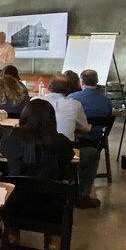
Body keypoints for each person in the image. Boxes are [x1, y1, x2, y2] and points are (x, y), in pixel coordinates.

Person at [34, 74, 101, 208]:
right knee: (93, 153)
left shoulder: (36, 100)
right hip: (63, 154)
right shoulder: (75, 105)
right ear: (68, 89)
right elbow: (86, 128)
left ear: (48, 87)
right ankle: (83, 196)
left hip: (36, 151)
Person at [0, 99, 74, 180]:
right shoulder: (62, 141)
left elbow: (3, 151)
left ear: (24, 115)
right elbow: (68, 159)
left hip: (16, 188)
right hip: (52, 190)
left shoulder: (12, 136)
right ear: (52, 119)